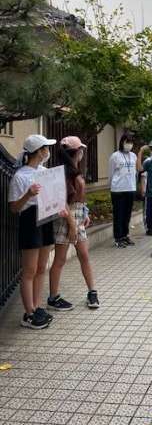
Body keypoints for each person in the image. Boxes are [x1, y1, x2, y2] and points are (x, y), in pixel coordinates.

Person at [8, 134, 59, 329]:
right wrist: (28, 194)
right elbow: (14, 208)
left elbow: (53, 195)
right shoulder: (20, 176)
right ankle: (28, 313)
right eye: (45, 148)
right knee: (29, 269)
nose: (48, 151)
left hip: (45, 217)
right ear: (38, 151)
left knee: (41, 267)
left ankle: (36, 307)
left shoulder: (45, 172)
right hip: (30, 219)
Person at [49, 136, 99, 311]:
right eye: (81, 150)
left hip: (77, 216)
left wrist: (85, 213)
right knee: (60, 259)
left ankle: (92, 292)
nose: (82, 153)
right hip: (66, 217)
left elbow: (80, 198)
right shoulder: (62, 173)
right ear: (76, 152)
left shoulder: (75, 170)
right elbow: (61, 201)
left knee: (84, 255)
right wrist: (71, 224)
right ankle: (53, 297)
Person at [109, 133, 138, 248]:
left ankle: (125, 235)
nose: (129, 144)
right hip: (118, 190)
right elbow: (111, 173)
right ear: (122, 142)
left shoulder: (133, 156)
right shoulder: (115, 156)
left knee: (127, 214)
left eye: (131, 142)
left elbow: (135, 172)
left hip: (130, 188)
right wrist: (111, 186)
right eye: (127, 142)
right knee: (118, 214)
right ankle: (118, 238)